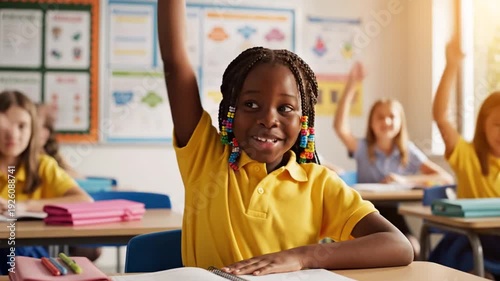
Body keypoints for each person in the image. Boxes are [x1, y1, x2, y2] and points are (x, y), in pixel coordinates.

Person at [158, 0, 413, 276]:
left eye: (285, 108)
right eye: (252, 105)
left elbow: (398, 246)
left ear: (303, 121)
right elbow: (174, 60)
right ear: (231, 112)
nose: (268, 119)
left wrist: (304, 256)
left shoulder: (319, 184)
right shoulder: (205, 158)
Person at [333, 62, 454, 260]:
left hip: (396, 219)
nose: (386, 121)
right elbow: (340, 127)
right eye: (380, 117)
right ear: (371, 123)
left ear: (400, 122)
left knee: (414, 248)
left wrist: (405, 181)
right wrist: (352, 84)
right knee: (369, 253)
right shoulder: (363, 148)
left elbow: (445, 178)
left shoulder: (408, 151)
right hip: (365, 217)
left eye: (392, 117)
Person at [0, 90, 93, 274]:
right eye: (4, 126)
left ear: (33, 130)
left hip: (28, 252)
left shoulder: (43, 166)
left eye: (21, 126)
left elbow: (84, 200)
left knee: (16, 252)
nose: (13, 134)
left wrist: (25, 206)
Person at [431, 39, 500, 280]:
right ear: (483, 125)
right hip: (474, 244)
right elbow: (440, 116)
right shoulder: (468, 155)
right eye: (497, 125)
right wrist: (451, 66)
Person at [35, 103, 101, 261]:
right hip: (35, 223)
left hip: (57, 217)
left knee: (90, 248)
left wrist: (57, 173)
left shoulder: (48, 161)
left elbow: (77, 180)